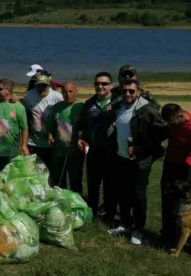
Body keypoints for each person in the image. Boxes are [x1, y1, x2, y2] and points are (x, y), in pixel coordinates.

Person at [108, 79, 168, 245]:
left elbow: (163, 132)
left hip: (140, 161)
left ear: (139, 92)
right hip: (122, 158)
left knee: (138, 195)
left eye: (131, 91)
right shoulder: (120, 107)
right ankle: (126, 224)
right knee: (124, 192)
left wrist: (141, 148)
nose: (127, 94)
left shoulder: (147, 109)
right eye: (124, 91)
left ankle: (139, 229)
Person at [75, 72, 116, 219]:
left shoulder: (118, 102)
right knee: (93, 182)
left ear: (111, 85)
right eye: (97, 84)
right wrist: (80, 138)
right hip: (93, 151)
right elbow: (82, 125)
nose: (100, 86)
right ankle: (91, 210)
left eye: (104, 83)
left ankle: (109, 211)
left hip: (112, 152)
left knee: (110, 184)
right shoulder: (89, 103)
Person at [159, 104, 191, 248]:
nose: (169, 126)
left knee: (184, 205)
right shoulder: (173, 123)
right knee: (167, 201)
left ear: (180, 116)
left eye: (171, 123)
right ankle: (167, 235)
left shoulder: (190, 127)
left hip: (186, 168)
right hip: (169, 165)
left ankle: (184, 239)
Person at [0, 79, 29, 170]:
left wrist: (24, 145)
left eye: (0, 89)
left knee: (10, 175)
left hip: (12, 149)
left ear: (8, 91)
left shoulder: (19, 107)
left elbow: (24, 128)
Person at [22, 74, 63, 180]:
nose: (42, 88)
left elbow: (61, 119)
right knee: (34, 171)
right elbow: (25, 114)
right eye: (39, 86)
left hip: (51, 143)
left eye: (44, 86)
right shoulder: (29, 96)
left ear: (49, 85)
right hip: (33, 141)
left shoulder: (57, 97)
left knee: (52, 171)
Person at [48, 81, 84, 192]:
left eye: (70, 91)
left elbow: (86, 128)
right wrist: (50, 135)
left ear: (76, 91)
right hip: (59, 149)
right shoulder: (56, 107)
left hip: (75, 151)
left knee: (75, 178)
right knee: (59, 179)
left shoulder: (81, 107)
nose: (68, 94)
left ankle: (77, 202)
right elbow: (51, 126)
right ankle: (62, 200)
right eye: (65, 92)